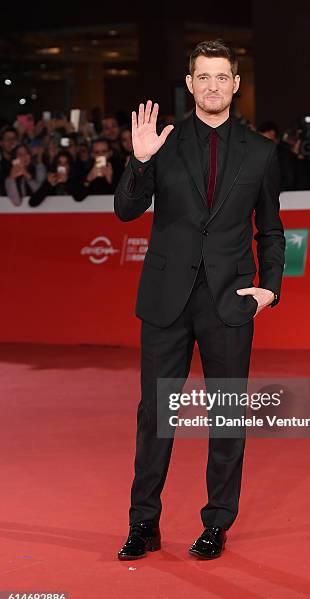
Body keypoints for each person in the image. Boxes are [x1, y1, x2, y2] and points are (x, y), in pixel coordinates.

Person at [114, 39, 285, 561]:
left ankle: (217, 523)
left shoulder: (261, 151)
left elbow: (272, 230)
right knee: (155, 414)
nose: (213, 86)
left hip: (229, 300)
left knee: (228, 415)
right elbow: (125, 210)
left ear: (236, 83)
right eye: (202, 77)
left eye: (222, 77)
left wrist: (269, 289)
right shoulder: (161, 142)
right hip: (166, 299)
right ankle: (144, 522)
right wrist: (139, 162)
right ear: (189, 85)